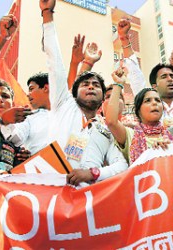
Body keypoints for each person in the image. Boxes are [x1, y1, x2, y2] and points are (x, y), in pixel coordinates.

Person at [41, 0, 128, 185]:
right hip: (50, 193)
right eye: (85, 84)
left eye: (96, 85)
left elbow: (121, 165)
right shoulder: (63, 105)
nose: (90, 87)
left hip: (87, 202)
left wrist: (94, 173)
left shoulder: (106, 129)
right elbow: (54, 62)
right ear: (74, 91)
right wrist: (47, 14)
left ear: (103, 96)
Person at [0, 14, 30, 177]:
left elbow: (14, 180)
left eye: (5, 96)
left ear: (13, 102)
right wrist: (2, 38)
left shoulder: (16, 138)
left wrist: (25, 162)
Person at [106, 68, 173, 165]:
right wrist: (118, 84)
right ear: (138, 110)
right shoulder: (130, 135)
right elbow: (111, 121)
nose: (154, 103)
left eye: (157, 100)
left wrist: (171, 149)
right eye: (148, 101)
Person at [0, 73, 50, 155]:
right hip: (39, 165)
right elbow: (16, 139)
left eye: (31, 89)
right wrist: (6, 122)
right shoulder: (29, 117)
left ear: (45, 88)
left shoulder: (71, 111)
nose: (28, 94)